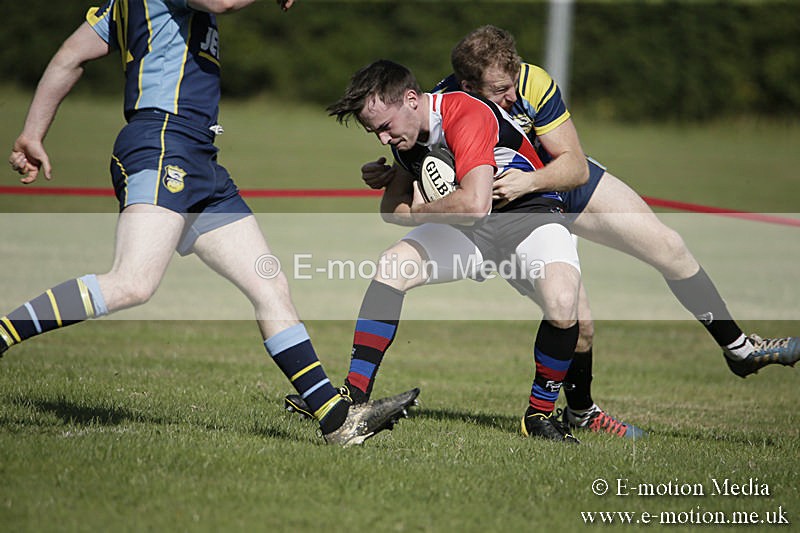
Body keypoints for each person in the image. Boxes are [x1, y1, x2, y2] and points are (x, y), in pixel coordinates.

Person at [2, 0, 420, 446]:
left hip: (198, 156)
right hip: (164, 142)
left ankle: (336, 422)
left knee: (269, 284)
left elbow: (70, 54)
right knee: (132, 282)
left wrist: (32, 132)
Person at [358, 26, 800, 436]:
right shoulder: (446, 99)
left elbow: (572, 165)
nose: (511, 96)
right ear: (469, 86)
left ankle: (738, 348)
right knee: (578, 321)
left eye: (513, 84)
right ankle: (581, 412)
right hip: (515, 212)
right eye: (499, 91)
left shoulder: (534, 83)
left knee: (669, 246)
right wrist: (393, 177)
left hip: (557, 181)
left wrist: (530, 180)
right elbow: (428, 167)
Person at [321, 58, 587, 443]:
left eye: (384, 127)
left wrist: (419, 209)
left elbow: (474, 204)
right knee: (393, 265)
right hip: (472, 229)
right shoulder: (406, 136)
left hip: (528, 215)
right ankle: (355, 396)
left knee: (563, 305)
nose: (382, 139)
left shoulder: (464, 112)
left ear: (412, 99)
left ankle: (539, 415)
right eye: (373, 132)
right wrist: (395, 183)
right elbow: (392, 212)